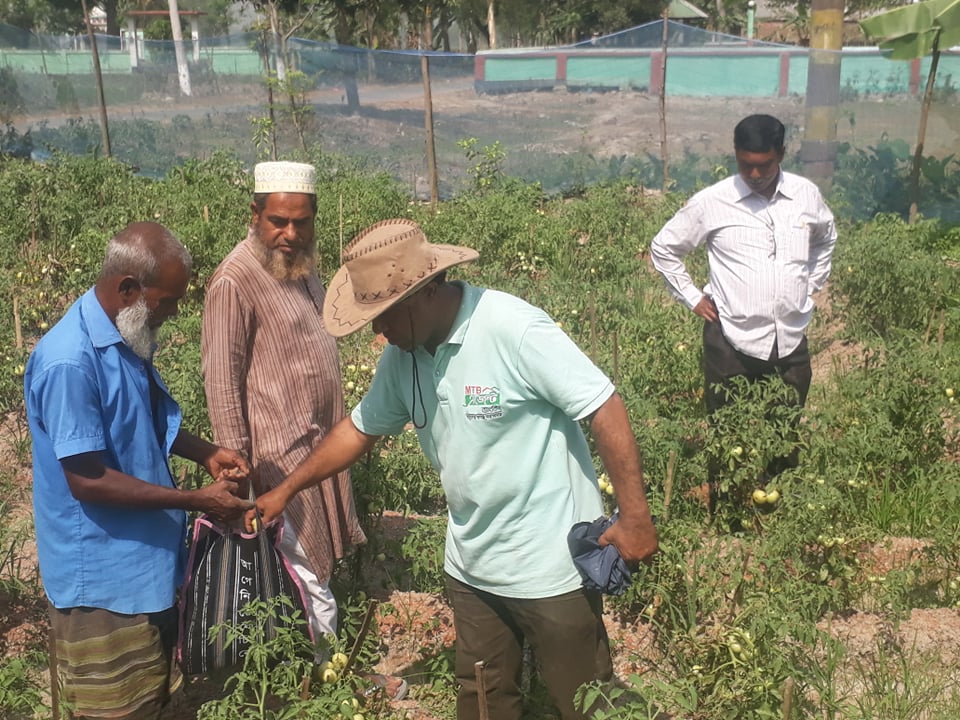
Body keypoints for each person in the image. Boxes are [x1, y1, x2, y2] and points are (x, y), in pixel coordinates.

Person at [246, 218, 660, 720]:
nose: (378, 331)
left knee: (585, 703)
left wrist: (634, 518)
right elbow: (358, 430)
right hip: (472, 568)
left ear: (426, 291)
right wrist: (285, 490)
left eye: (385, 315)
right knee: (485, 702)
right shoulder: (404, 355)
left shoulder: (512, 328)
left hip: (548, 569)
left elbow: (603, 406)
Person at [25, 222, 252, 720]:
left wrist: (205, 451)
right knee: (113, 708)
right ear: (129, 289)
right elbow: (87, 479)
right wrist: (197, 500)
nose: (171, 314)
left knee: (149, 701)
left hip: (142, 564)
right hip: (102, 584)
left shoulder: (125, 335)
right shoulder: (70, 362)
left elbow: (141, 421)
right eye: (167, 302)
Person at [200, 161, 408, 695]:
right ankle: (333, 687)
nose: (289, 234)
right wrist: (239, 478)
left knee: (305, 577)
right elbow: (222, 382)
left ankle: (303, 677)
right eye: (277, 221)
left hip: (315, 449)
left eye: (302, 222)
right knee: (308, 582)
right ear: (255, 214)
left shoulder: (301, 265)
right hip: (273, 462)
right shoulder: (235, 279)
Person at [650, 113, 837, 501]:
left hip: (789, 336)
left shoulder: (805, 195)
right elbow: (664, 248)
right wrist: (692, 297)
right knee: (725, 429)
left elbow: (826, 238)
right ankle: (725, 507)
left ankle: (776, 504)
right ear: (736, 155)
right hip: (729, 336)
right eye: (745, 164)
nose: (754, 174)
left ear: (781, 154)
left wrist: (810, 284)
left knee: (785, 424)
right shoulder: (712, 202)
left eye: (763, 165)